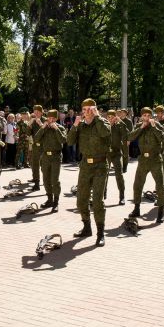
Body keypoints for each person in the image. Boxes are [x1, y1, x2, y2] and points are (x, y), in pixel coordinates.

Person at [67, 98, 111, 247]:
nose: (86, 112)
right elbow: (70, 141)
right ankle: (87, 227)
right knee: (81, 200)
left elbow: (105, 133)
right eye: (84, 109)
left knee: (98, 201)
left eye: (89, 109)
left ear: (95, 109)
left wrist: (97, 116)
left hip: (100, 165)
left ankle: (100, 233)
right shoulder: (80, 126)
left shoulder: (102, 122)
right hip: (85, 164)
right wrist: (75, 125)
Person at [128, 107, 164, 223]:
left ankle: (160, 211)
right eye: (144, 115)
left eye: (148, 116)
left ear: (151, 116)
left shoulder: (157, 125)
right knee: (138, 184)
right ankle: (136, 208)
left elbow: (163, 138)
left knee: (160, 185)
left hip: (155, 159)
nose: (146, 118)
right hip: (143, 160)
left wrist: (154, 127)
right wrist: (141, 127)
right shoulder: (139, 125)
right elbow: (130, 137)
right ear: (141, 116)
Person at [35, 109, 67, 213]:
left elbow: (63, 140)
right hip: (45, 157)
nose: (50, 120)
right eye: (49, 118)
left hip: (56, 156)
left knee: (54, 180)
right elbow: (36, 139)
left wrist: (56, 129)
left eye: (53, 118)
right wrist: (42, 128)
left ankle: (56, 202)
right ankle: (49, 199)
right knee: (45, 179)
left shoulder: (60, 128)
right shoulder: (44, 128)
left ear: (56, 118)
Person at [107, 110, 128, 205]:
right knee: (103, 175)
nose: (110, 119)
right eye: (109, 117)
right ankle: (103, 193)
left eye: (112, 117)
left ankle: (122, 196)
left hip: (116, 153)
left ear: (115, 118)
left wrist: (121, 121)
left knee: (119, 175)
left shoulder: (119, 126)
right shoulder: (104, 126)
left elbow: (126, 133)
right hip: (106, 154)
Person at [29, 105, 47, 191]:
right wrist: (29, 124)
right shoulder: (32, 120)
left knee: (44, 166)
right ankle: (36, 183)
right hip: (35, 146)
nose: (35, 113)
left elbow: (47, 133)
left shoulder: (46, 120)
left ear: (41, 112)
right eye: (34, 111)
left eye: (37, 111)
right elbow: (28, 133)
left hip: (44, 146)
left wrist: (41, 124)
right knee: (35, 165)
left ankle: (46, 181)